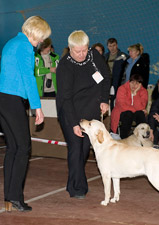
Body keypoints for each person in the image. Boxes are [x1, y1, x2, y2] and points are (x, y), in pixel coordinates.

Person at [0, 16, 51, 212]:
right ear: (34, 32)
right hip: (11, 99)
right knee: (24, 147)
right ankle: (16, 197)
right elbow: (28, 76)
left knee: (14, 148)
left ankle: (10, 196)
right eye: (40, 37)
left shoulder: (11, 42)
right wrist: (37, 106)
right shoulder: (25, 46)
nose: (41, 41)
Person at [56, 30, 110, 199]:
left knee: (85, 149)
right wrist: (73, 123)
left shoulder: (94, 55)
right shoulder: (64, 66)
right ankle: (77, 188)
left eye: (84, 50)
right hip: (70, 110)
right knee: (76, 148)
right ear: (70, 49)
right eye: (77, 51)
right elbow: (65, 98)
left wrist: (104, 99)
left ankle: (72, 182)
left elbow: (106, 77)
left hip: (90, 109)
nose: (81, 54)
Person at [110, 74, 148, 139]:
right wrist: (135, 109)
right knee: (128, 114)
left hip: (135, 114)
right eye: (132, 82)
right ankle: (123, 138)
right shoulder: (122, 89)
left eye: (137, 83)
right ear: (129, 82)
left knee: (140, 114)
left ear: (140, 84)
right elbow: (122, 106)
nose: (134, 85)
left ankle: (142, 138)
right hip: (121, 112)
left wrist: (135, 94)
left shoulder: (143, 91)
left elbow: (141, 107)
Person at [104, 38, 128, 110]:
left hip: (119, 83)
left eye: (114, 45)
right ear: (107, 47)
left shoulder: (123, 56)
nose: (112, 48)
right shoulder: (105, 57)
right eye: (110, 46)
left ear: (117, 45)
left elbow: (126, 71)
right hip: (108, 83)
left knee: (119, 101)